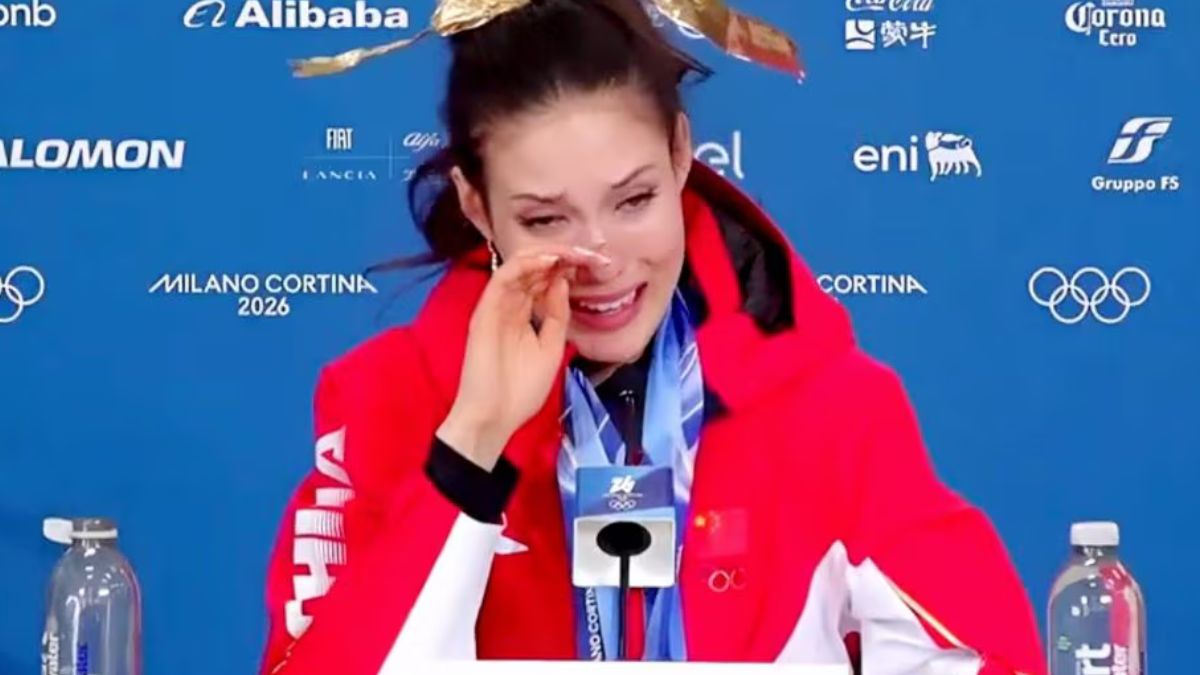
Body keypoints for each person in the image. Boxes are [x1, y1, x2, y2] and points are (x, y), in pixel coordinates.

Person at [260, 1, 1043, 673]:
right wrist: (472, 446)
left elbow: (987, 653)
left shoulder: (831, 407)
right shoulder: (385, 400)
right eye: (546, 219)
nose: (600, 258)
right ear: (476, 206)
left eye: (632, 201)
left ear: (679, 154)